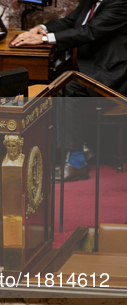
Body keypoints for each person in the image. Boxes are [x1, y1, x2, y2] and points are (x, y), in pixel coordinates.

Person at [11, 0, 127, 182]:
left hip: (109, 75)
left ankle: (76, 162)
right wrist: (41, 28)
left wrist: (43, 39)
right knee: (57, 80)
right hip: (90, 67)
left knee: (68, 85)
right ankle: (80, 147)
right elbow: (69, 22)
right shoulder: (91, 2)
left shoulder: (119, 4)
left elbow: (89, 32)